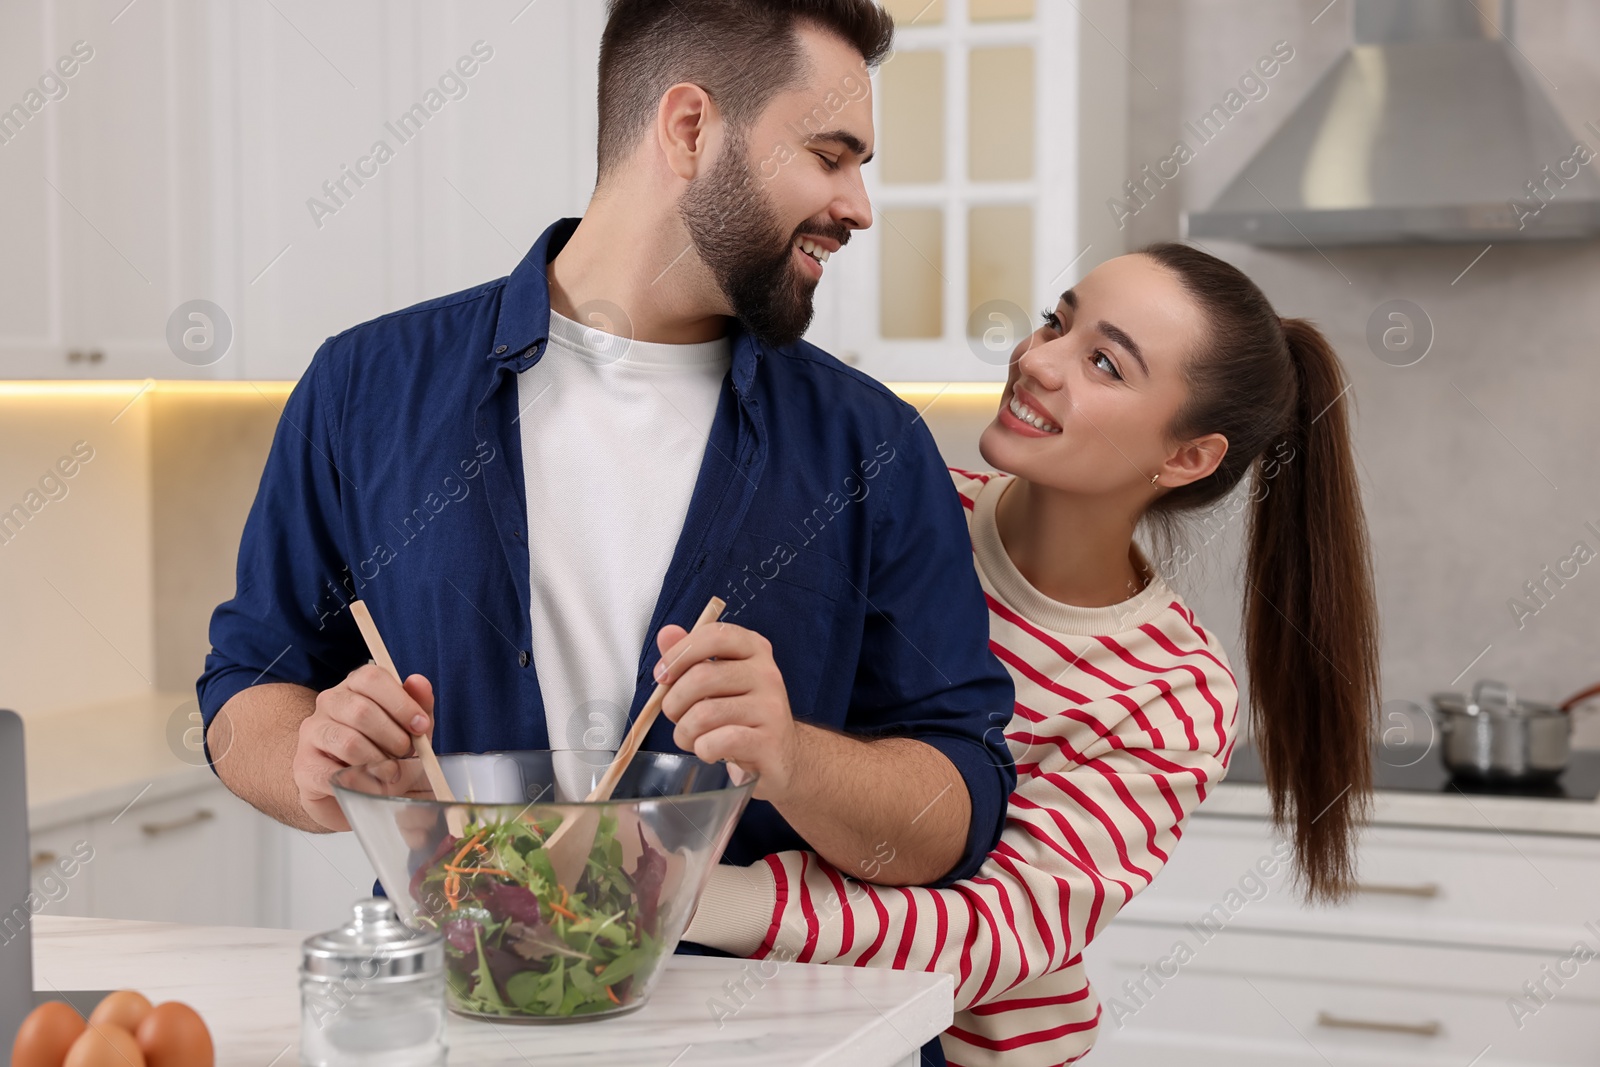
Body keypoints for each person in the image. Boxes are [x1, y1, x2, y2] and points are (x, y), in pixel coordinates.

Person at [198, 0, 1015, 979]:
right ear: (688, 127)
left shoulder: (872, 444)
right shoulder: (365, 388)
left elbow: (953, 811)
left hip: (766, 1036)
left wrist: (791, 756)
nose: (857, 206)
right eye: (830, 156)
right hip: (458, 1015)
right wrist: (307, 756)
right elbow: (246, 691)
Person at [684, 244, 1381, 1066]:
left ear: (1187, 457)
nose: (1037, 359)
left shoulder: (1171, 691)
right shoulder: (898, 507)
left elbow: (991, 931)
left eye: (1104, 364)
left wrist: (684, 897)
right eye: (1059, 319)